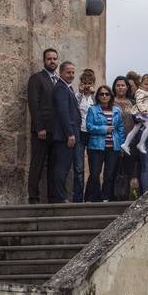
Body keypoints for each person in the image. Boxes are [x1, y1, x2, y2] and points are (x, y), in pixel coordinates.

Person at [27, 48, 59, 204]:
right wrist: (39, 128)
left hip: (56, 132)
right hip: (42, 131)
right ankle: (33, 198)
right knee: (37, 164)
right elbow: (34, 104)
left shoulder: (59, 81)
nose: (52, 61)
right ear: (44, 61)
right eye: (49, 59)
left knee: (54, 166)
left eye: (54, 59)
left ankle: (52, 198)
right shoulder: (36, 79)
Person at [85, 86, 124, 202]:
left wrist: (121, 145)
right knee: (94, 174)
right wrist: (104, 129)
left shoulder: (117, 110)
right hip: (96, 147)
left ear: (111, 96)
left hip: (113, 147)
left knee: (109, 174)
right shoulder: (93, 110)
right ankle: (90, 198)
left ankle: (106, 198)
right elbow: (89, 127)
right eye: (101, 94)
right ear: (97, 96)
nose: (104, 96)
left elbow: (120, 128)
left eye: (107, 94)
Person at [51, 61, 81, 203]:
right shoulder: (61, 88)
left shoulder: (67, 88)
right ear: (61, 73)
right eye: (68, 72)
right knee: (61, 168)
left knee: (64, 167)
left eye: (73, 72)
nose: (71, 75)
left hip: (68, 135)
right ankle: (60, 197)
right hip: (64, 136)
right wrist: (70, 134)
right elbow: (63, 112)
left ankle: (61, 196)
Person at [113, 76, 139, 199]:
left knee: (128, 170)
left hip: (131, 142)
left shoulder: (132, 102)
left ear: (127, 87)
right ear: (114, 87)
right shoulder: (110, 101)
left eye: (123, 85)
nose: (120, 87)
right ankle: (112, 197)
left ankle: (126, 197)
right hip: (114, 140)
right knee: (113, 169)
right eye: (118, 85)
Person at [121, 74, 148, 156]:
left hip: (145, 113)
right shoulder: (140, 92)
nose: (147, 86)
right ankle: (141, 144)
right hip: (142, 113)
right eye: (145, 84)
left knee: (135, 129)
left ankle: (126, 144)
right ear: (141, 84)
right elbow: (139, 102)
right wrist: (142, 110)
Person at [74, 70, 96, 202]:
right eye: (85, 83)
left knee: (94, 167)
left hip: (92, 134)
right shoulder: (77, 96)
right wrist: (80, 92)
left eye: (90, 83)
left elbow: (100, 109)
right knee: (78, 167)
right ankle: (77, 198)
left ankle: (90, 196)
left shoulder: (96, 97)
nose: (87, 85)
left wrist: (93, 94)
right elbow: (73, 106)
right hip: (79, 133)